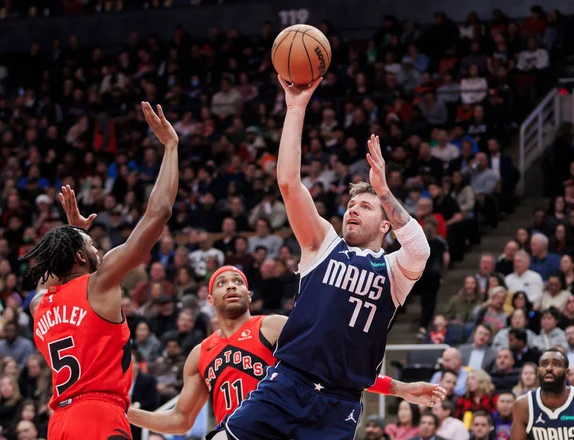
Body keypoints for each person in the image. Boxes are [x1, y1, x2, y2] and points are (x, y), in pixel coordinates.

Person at [204, 78, 431, 439]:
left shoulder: (395, 271)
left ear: (386, 223)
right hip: (286, 384)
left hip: (339, 404)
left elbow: (420, 249)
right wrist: (295, 108)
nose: (353, 210)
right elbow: (289, 184)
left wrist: (384, 190)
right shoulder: (324, 244)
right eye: (351, 205)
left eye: (366, 206)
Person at [127, 266, 445, 435]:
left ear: (249, 294)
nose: (232, 286)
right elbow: (181, 420)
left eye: (237, 281)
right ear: (210, 300)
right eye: (222, 283)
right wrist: (127, 413)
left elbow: (334, 366)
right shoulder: (200, 353)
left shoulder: (273, 326)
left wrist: (399, 388)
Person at [26, 103, 179, 440]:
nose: (98, 248)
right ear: (80, 256)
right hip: (99, 414)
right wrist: (170, 146)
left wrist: (72, 235)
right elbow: (159, 213)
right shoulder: (100, 283)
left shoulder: (39, 306)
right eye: (91, 245)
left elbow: (54, 279)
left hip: (60, 424)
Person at [511, 348, 574, 439]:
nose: (549, 368)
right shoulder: (524, 404)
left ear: (567, 373)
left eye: (556, 364)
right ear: (538, 372)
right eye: (544, 364)